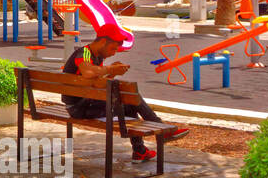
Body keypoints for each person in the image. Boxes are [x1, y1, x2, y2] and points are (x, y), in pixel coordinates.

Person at [61, 25, 189, 161]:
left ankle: (140, 151)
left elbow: (97, 83)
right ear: (103, 42)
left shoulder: (96, 57)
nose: (114, 53)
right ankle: (160, 131)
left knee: (129, 102)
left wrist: (112, 72)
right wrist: (109, 68)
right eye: (113, 48)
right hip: (79, 108)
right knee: (130, 97)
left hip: (84, 105)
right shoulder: (85, 52)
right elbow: (88, 72)